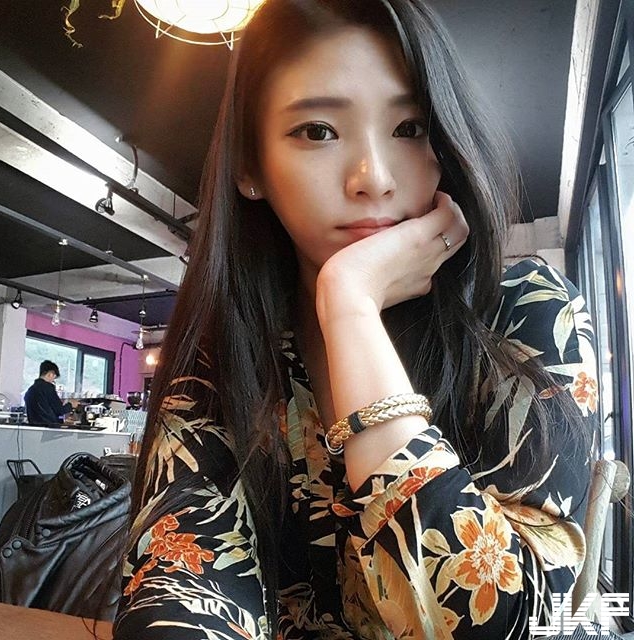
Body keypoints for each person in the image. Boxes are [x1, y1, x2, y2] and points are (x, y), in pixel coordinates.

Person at [113, 1, 599, 638]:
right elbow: (181, 578)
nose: (373, 178)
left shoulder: (527, 309)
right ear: (251, 167)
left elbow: (513, 623)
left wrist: (351, 306)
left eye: (410, 127)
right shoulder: (231, 344)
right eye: (318, 131)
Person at [24, 360, 78, 426]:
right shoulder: (48, 388)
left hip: (34, 428)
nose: (53, 381)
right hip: (49, 428)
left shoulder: (30, 390)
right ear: (50, 374)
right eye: (54, 378)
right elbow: (60, 410)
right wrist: (71, 404)